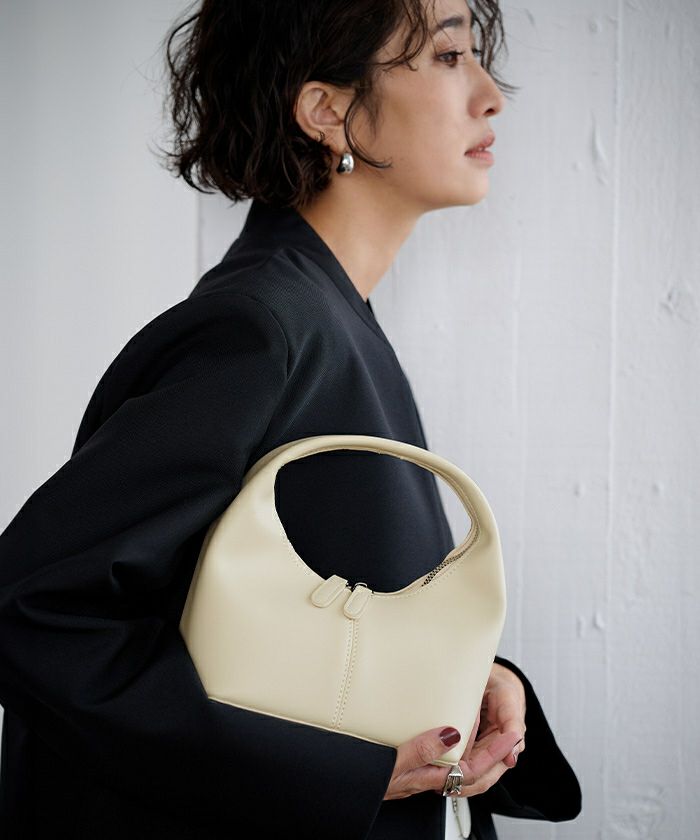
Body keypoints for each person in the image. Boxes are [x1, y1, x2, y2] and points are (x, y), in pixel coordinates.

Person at [0, 0, 581, 837]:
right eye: (450, 56)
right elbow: (38, 613)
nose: (492, 95)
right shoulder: (261, 331)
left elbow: (279, 620)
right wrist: (342, 777)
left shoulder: (324, 316)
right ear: (326, 110)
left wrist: (469, 676)